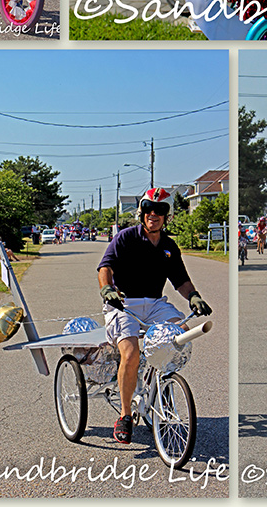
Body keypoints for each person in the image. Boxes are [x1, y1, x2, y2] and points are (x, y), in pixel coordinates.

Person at [97, 188, 212, 444]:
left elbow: (180, 280)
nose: (154, 214)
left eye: (160, 210)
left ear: (166, 215)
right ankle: (125, 416)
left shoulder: (169, 246)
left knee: (178, 333)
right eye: (149, 208)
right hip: (124, 303)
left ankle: (161, 387)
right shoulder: (126, 238)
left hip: (156, 303)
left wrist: (194, 296)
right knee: (131, 354)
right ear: (142, 212)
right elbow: (105, 267)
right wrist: (107, 289)